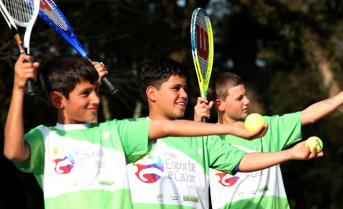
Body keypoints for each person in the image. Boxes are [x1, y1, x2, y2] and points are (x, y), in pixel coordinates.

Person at [3, 54, 272, 209]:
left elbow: (167, 127)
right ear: (58, 101)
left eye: (95, 90)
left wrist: (232, 131)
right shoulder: (45, 139)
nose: (96, 99)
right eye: (86, 93)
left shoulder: (115, 133)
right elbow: (13, 150)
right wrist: (17, 88)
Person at [126, 58, 323, 209]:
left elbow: (242, 160)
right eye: (176, 88)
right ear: (152, 93)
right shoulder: (128, 133)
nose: (184, 95)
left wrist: (290, 154)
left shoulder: (201, 139)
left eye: (185, 88)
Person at [204, 71, 336, 209]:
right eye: (239, 98)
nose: (247, 101)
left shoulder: (266, 127)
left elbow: (309, 115)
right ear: (219, 105)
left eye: (246, 95)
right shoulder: (208, 139)